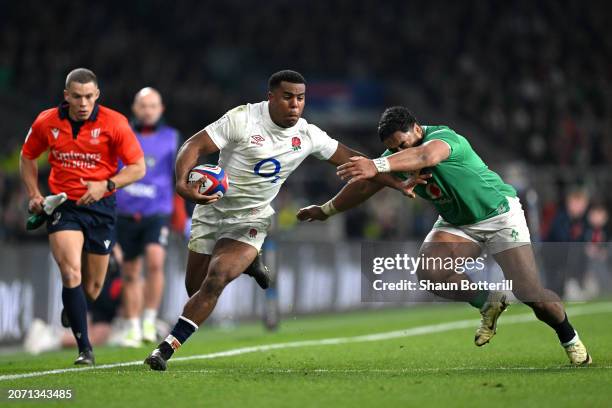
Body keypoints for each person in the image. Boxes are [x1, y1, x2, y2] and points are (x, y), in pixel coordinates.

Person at [144, 70, 415, 371]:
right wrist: (182, 183)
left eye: (300, 98)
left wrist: (395, 181)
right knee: (193, 286)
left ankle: (165, 348)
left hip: (252, 217)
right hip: (211, 209)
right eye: (287, 97)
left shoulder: (308, 135)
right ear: (270, 96)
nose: (295, 105)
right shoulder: (242, 118)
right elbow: (193, 145)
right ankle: (250, 263)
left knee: (216, 279)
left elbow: (353, 160)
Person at [298, 106, 592, 366]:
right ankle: (489, 301)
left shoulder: (443, 137)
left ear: (416, 129)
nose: (398, 153)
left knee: (532, 295)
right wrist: (325, 211)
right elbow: (366, 185)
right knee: (429, 271)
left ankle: (570, 338)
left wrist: (376, 164)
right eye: (393, 149)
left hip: (500, 216)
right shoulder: (395, 158)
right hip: (457, 223)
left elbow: (426, 155)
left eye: (402, 144)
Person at [20, 68, 145, 365]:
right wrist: (34, 194)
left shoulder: (115, 123)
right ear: (66, 96)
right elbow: (27, 157)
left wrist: (107, 184)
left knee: (92, 288)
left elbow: (138, 167)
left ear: (97, 95)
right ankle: (84, 350)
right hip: (64, 206)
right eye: (76, 96)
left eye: (89, 96)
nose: (83, 102)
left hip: (101, 209)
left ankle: (74, 304)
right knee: (70, 273)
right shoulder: (46, 121)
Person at [114, 87, 179, 347]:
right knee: (130, 271)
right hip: (126, 212)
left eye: (153, 106)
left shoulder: (172, 138)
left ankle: (150, 320)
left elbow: (177, 177)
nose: (148, 110)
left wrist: (179, 215)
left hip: (157, 211)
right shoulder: (121, 136)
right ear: (135, 108)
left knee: (155, 262)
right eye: (143, 106)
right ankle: (132, 326)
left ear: (161, 109)